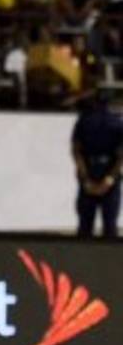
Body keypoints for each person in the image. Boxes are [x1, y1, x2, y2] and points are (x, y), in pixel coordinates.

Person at [71, 92, 123, 239]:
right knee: (110, 226)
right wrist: (110, 178)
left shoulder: (83, 121)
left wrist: (85, 178)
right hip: (109, 175)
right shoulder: (117, 123)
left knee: (85, 225)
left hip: (89, 173)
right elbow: (121, 156)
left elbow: (76, 151)